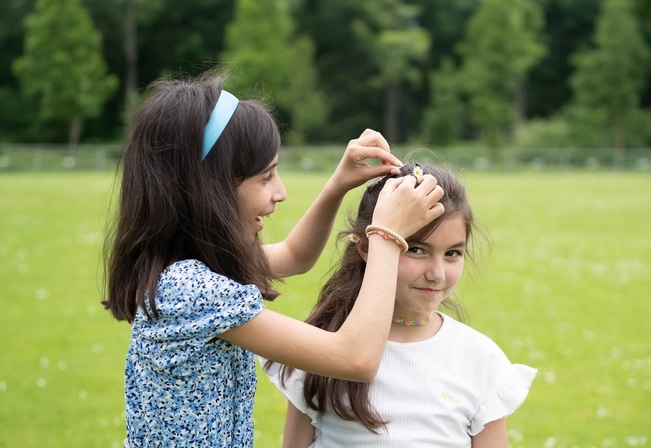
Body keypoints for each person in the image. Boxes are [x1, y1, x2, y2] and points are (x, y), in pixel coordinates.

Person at [101, 72, 445, 447]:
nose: (280, 192)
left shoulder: (186, 267)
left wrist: (339, 184)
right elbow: (355, 358)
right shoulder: (193, 290)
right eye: (265, 177)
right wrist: (387, 235)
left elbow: (295, 256)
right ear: (208, 187)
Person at [263, 162, 537, 447]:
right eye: (416, 250)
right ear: (368, 247)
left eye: (453, 253)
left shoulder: (479, 359)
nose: (437, 273)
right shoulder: (323, 348)